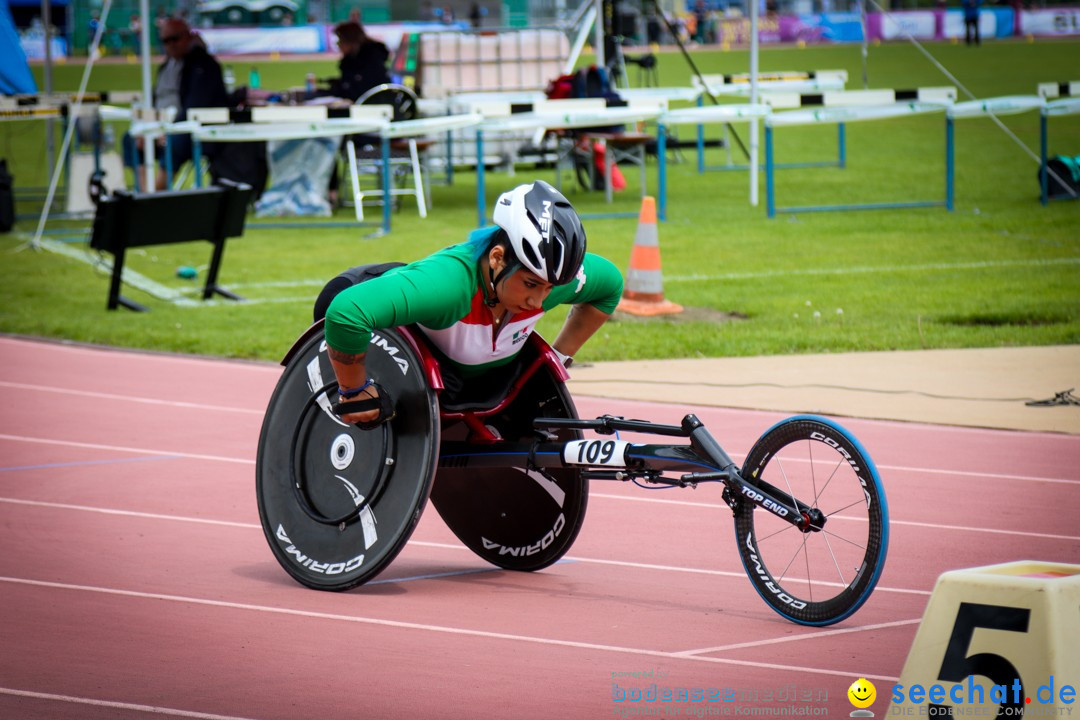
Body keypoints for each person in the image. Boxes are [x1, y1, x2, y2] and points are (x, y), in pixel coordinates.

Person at [317, 180, 624, 427]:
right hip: (364, 294)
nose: (537, 301)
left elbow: (610, 285)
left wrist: (560, 356)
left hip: (463, 372)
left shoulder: (547, 285)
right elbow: (346, 313)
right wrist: (354, 391)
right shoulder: (448, 287)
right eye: (530, 284)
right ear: (497, 258)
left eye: (549, 289)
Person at [125, 17, 228, 190]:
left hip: (189, 129)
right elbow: (151, 101)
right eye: (166, 41)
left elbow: (195, 104)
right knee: (131, 138)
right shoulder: (165, 68)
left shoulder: (201, 65)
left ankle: (157, 195)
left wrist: (169, 129)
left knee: (175, 141)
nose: (171, 44)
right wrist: (145, 127)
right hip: (160, 126)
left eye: (176, 38)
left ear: (188, 36)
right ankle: (143, 193)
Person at [328, 20, 390, 102]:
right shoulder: (359, 59)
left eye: (340, 40)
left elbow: (355, 92)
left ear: (350, 41)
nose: (338, 44)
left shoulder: (366, 61)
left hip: (370, 108)